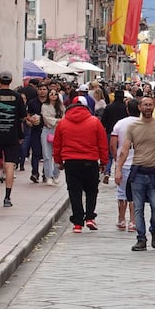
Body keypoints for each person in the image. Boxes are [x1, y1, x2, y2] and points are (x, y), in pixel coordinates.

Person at [115, 96, 155, 251]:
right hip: (138, 171)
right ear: (139, 107)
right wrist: (118, 169)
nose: (148, 107)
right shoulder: (132, 127)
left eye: (150, 105)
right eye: (145, 105)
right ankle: (141, 238)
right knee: (138, 207)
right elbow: (125, 150)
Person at [53, 97, 108, 232]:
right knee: (91, 191)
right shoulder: (95, 122)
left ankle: (77, 222)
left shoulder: (63, 123)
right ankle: (90, 217)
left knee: (74, 192)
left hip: (71, 162)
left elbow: (57, 144)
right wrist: (104, 162)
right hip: (90, 161)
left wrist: (58, 161)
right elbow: (102, 143)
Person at [0, 70, 26, 207]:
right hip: (12, 134)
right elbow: (22, 117)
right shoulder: (17, 97)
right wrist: (21, 136)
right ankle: (7, 197)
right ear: (11, 80)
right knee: (9, 165)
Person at [110, 99, 139, 232]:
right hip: (138, 163)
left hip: (124, 162)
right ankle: (133, 221)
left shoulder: (120, 124)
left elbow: (112, 144)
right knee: (134, 193)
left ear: (127, 110)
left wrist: (117, 159)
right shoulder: (143, 124)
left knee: (121, 193)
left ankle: (121, 219)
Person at [40, 88, 64, 186]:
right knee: (46, 154)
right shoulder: (44, 106)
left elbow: (64, 118)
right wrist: (57, 121)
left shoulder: (61, 107)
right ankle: (48, 175)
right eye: (51, 93)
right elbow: (45, 118)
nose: (53, 95)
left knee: (58, 153)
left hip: (58, 131)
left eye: (55, 94)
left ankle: (56, 174)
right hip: (47, 130)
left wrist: (58, 121)